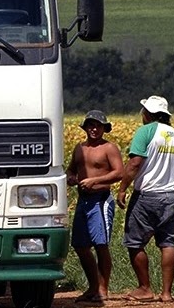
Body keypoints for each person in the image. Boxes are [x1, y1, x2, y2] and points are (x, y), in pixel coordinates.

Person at [117, 95, 174, 303]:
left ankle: (145, 288)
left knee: (134, 242)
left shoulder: (146, 131)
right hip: (170, 196)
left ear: (147, 114)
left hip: (147, 195)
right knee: (167, 243)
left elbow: (135, 163)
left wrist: (122, 189)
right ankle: (166, 293)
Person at [66, 110, 124, 303]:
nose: (94, 129)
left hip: (101, 199)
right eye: (91, 125)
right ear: (85, 128)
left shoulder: (109, 148)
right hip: (83, 200)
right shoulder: (79, 148)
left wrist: (95, 181)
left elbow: (119, 173)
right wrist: (71, 178)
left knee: (101, 244)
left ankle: (103, 288)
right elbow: (71, 169)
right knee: (80, 246)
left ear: (104, 129)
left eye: (98, 126)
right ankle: (93, 286)